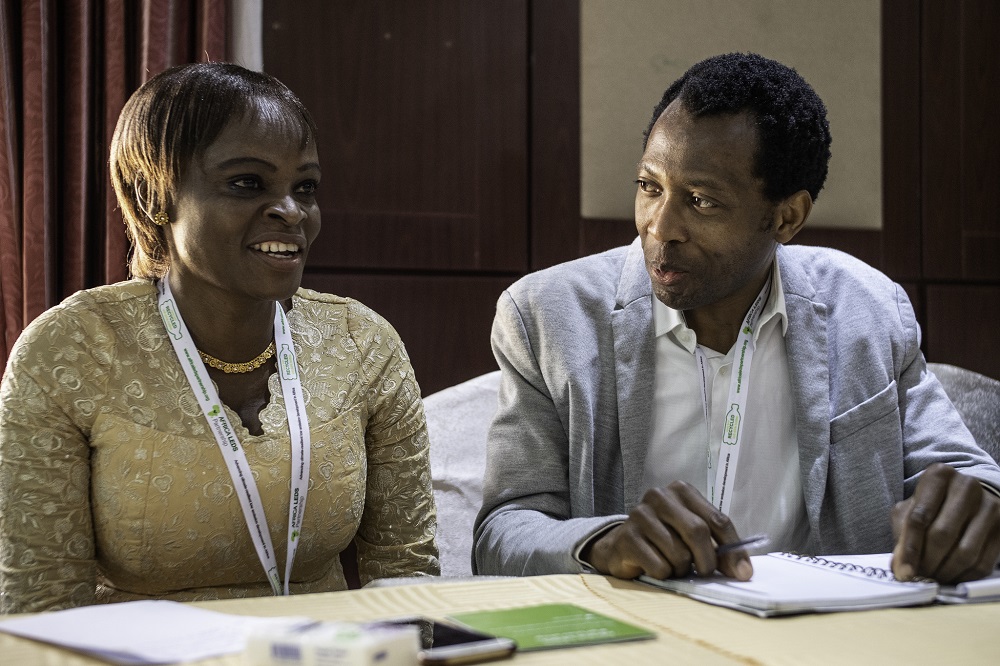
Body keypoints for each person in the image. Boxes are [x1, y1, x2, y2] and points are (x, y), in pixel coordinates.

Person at [473, 53, 1000, 586]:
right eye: (650, 186)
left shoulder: (868, 308)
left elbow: (970, 477)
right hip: (638, 626)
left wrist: (978, 507)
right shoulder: (546, 317)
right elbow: (501, 536)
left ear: (786, 218)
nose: (659, 227)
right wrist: (604, 541)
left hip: (823, 627)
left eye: (701, 201)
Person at [0, 63, 439, 614]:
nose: (291, 211)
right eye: (247, 183)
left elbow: (407, 573)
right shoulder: (73, 349)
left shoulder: (362, 344)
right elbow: (40, 602)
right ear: (154, 195)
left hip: (325, 650)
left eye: (305, 187)